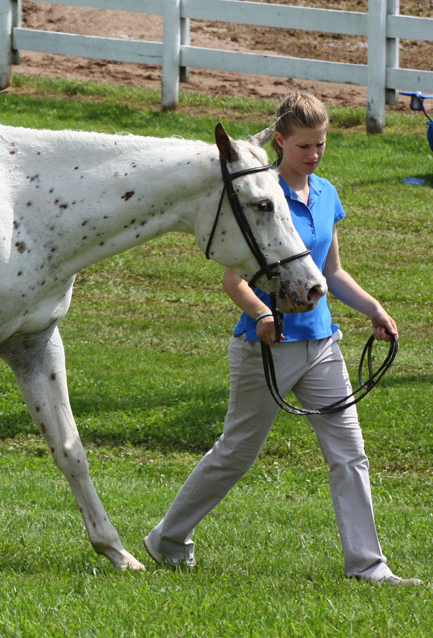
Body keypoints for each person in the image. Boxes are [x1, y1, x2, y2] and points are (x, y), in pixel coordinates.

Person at [143, 93, 422, 585]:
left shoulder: (327, 194)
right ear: (279, 142)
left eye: (321, 144)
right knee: (236, 454)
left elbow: (331, 271)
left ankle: (367, 565)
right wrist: (263, 313)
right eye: (304, 146)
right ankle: (167, 538)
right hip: (264, 350)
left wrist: (374, 308)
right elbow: (235, 280)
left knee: (349, 453)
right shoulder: (261, 193)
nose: (314, 154)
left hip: (322, 345)